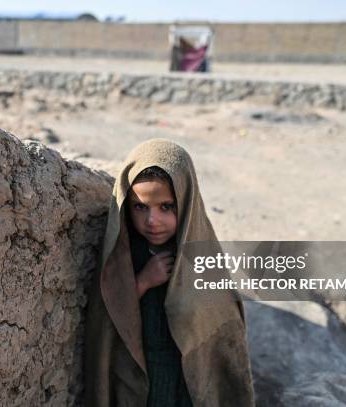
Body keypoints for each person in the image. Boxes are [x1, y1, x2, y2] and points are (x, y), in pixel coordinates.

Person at [84, 138, 254, 407]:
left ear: (186, 202)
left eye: (166, 207)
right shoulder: (123, 256)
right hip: (142, 376)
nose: (152, 221)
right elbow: (106, 322)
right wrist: (142, 282)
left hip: (188, 381)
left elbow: (222, 337)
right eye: (140, 207)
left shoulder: (202, 258)